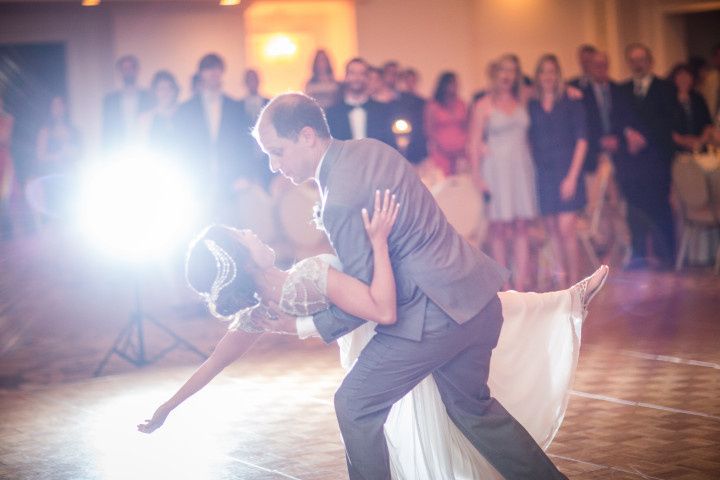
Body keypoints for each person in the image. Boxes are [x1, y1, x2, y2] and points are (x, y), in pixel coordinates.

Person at [139, 205, 608, 480]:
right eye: (242, 235)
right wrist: (378, 241)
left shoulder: (261, 308)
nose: (252, 231)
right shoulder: (303, 280)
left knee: (492, 321)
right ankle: (564, 302)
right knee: (489, 323)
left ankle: (565, 301)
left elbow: (214, 362)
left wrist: (167, 408)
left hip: (384, 345)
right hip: (393, 339)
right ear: (241, 259)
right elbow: (377, 305)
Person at [254, 92, 568, 479]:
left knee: (354, 404)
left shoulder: (339, 198)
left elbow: (368, 299)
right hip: (478, 298)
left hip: (433, 317)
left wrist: (303, 325)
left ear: (306, 135)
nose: (273, 166)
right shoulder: (370, 149)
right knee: (472, 409)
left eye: (277, 152)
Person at [468, 54, 537, 291]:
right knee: (499, 227)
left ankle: (521, 282)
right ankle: (504, 283)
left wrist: (573, 92)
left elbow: (552, 92)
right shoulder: (483, 105)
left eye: (512, 71)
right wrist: (477, 176)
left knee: (521, 226)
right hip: (496, 170)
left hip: (521, 168)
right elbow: (473, 143)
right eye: (503, 70)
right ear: (495, 74)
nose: (507, 75)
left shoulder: (524, 100)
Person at [528, 54, 588, 286]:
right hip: (544, 174)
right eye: (543, 71)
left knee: (567, 230)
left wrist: (572, 177)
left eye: (552, 71)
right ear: (538, 76)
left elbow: (582, 140)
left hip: (567, 171)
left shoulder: (571, 102)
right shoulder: (531, 105)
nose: (548, 76)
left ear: (558, 74)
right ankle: (563, 280)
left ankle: (575, 283)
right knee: (552, 230)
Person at [174, 53, 251, 219]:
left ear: (222, 72)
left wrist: (243, 174)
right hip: (196, 179)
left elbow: (243, 144)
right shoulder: (186, 109)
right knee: (197, 226)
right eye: (208, 69)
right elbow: (180, 147)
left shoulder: (235, 106)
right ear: (201, 73)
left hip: (230, 180)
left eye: (216, 69)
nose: (213, 74)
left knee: (229, 228)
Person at [620, 43, 677, 268]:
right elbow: (618, 119)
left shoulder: (666, 87)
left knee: (660, 209)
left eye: (641, 58)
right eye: (633, 59)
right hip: (632, 164)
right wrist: (628, 134)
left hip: (657, 160)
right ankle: (639, 256)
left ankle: (667, 256)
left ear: (650, 61)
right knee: (634, 211)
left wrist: (643, 137)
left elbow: (668, 121)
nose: (637, 63)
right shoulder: (622, 89)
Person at [324, 58, 396, 148]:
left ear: (367, 78)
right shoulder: (332, 113)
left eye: (362, 74)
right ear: (346, 77)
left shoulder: (382, 111)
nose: (357, 78)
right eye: (352, 73)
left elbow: (390, 146)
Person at [102, 55, 152, 152]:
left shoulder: (148, 97)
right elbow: (107, 130)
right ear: (119, 72)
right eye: (124, 68)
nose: (128, 71)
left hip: (144, 149)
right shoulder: (110, 100)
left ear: (137, 70)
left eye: (131, 67)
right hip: (118, 150)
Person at [424, 71, 468, 176]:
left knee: (462, 181)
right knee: (444, 182)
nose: (454, 86)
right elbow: (429, 130)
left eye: (456, 83)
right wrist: (442, 148)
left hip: (461, 152)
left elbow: (467, 126)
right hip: (441, 152)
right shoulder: (433, 106)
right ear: (443, 85)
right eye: (451, 83)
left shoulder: (461, 103)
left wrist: (464, 147)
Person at [668, 63, 714, 153]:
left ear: (692, 79)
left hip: (699, 146)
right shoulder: (668, 99)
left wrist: (700, 141)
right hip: (676, 149)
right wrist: (683, 141)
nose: (684, 79)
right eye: (680, 75)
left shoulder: (698, 98)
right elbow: (665, 125)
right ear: (674, 78)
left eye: (687, 75)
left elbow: (708, 123)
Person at [138, 70, 179, 154]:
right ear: (154, 92)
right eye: (161, 88)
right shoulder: (144, 119)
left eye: (170, 87)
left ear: (175, 91)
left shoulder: (185, 115)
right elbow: (141, 148)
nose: (166, 92)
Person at [0, 94, 15, 239]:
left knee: (5, 199)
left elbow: (3, 137)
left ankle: (8, 235)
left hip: (5, 163)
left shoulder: (8, 119)